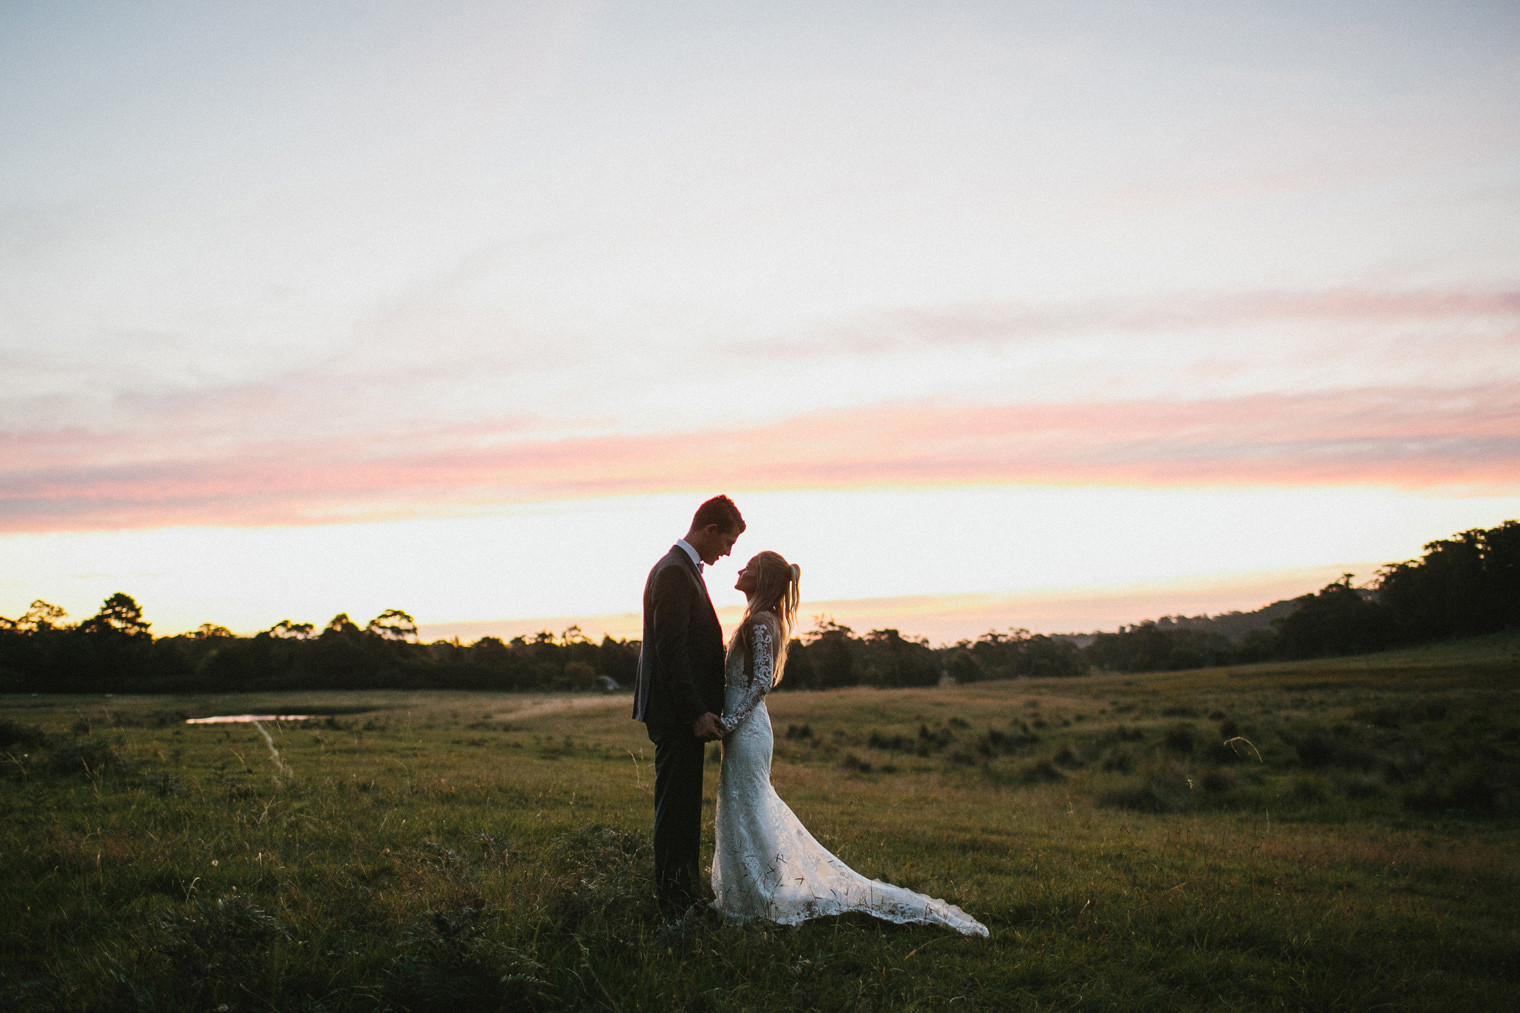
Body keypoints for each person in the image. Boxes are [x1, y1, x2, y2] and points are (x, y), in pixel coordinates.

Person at [712, 550, 989, 936]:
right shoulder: (761, 618)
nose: (740, 570)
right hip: (746, 729)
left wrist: (729, 722)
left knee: (748, 804)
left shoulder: (760, 621)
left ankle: (759, 894)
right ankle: (751, 892)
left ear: (764, 578)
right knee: (745, 804)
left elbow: (761, 682)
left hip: (746, 729)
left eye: (749, 567)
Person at [633, 494, 745, 920]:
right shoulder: (674, 572)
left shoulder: (680, 569)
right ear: (710, 529)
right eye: (728, 541)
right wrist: (696, 712)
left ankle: (682, 896)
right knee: (676, 812)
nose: (728, 553)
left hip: (679, 714)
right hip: (676, 715)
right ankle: (674, 907)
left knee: (682, 809)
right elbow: (671, 650)